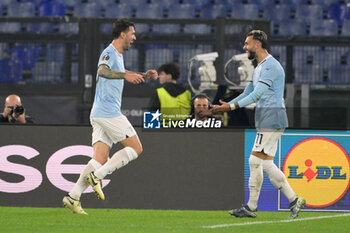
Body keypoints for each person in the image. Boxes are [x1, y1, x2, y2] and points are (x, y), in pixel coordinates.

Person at [62, 18, 158, 215]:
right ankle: (98, 177)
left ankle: (73, 196)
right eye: (132, 33)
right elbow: (103, 71)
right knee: (136, 148)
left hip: (98, 113)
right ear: (122, 34)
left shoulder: (118, 55)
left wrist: (143, 75)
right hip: (108, 113)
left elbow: (121, 72)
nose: (134, 37)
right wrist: (126, 76)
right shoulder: (109, 52)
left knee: (100, 157)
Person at [206, 30, 305, 219]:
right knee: (266, 164)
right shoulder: (260, 66)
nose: (244, 48)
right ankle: (294, 200)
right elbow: (248, 92)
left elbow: (257, 94)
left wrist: (231, 107)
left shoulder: (270, 66)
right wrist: (228, 105)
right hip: (268, 118)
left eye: (247, 44)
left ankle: (251, 207)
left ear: (257, 44)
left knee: (254, 161)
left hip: (272, 117)